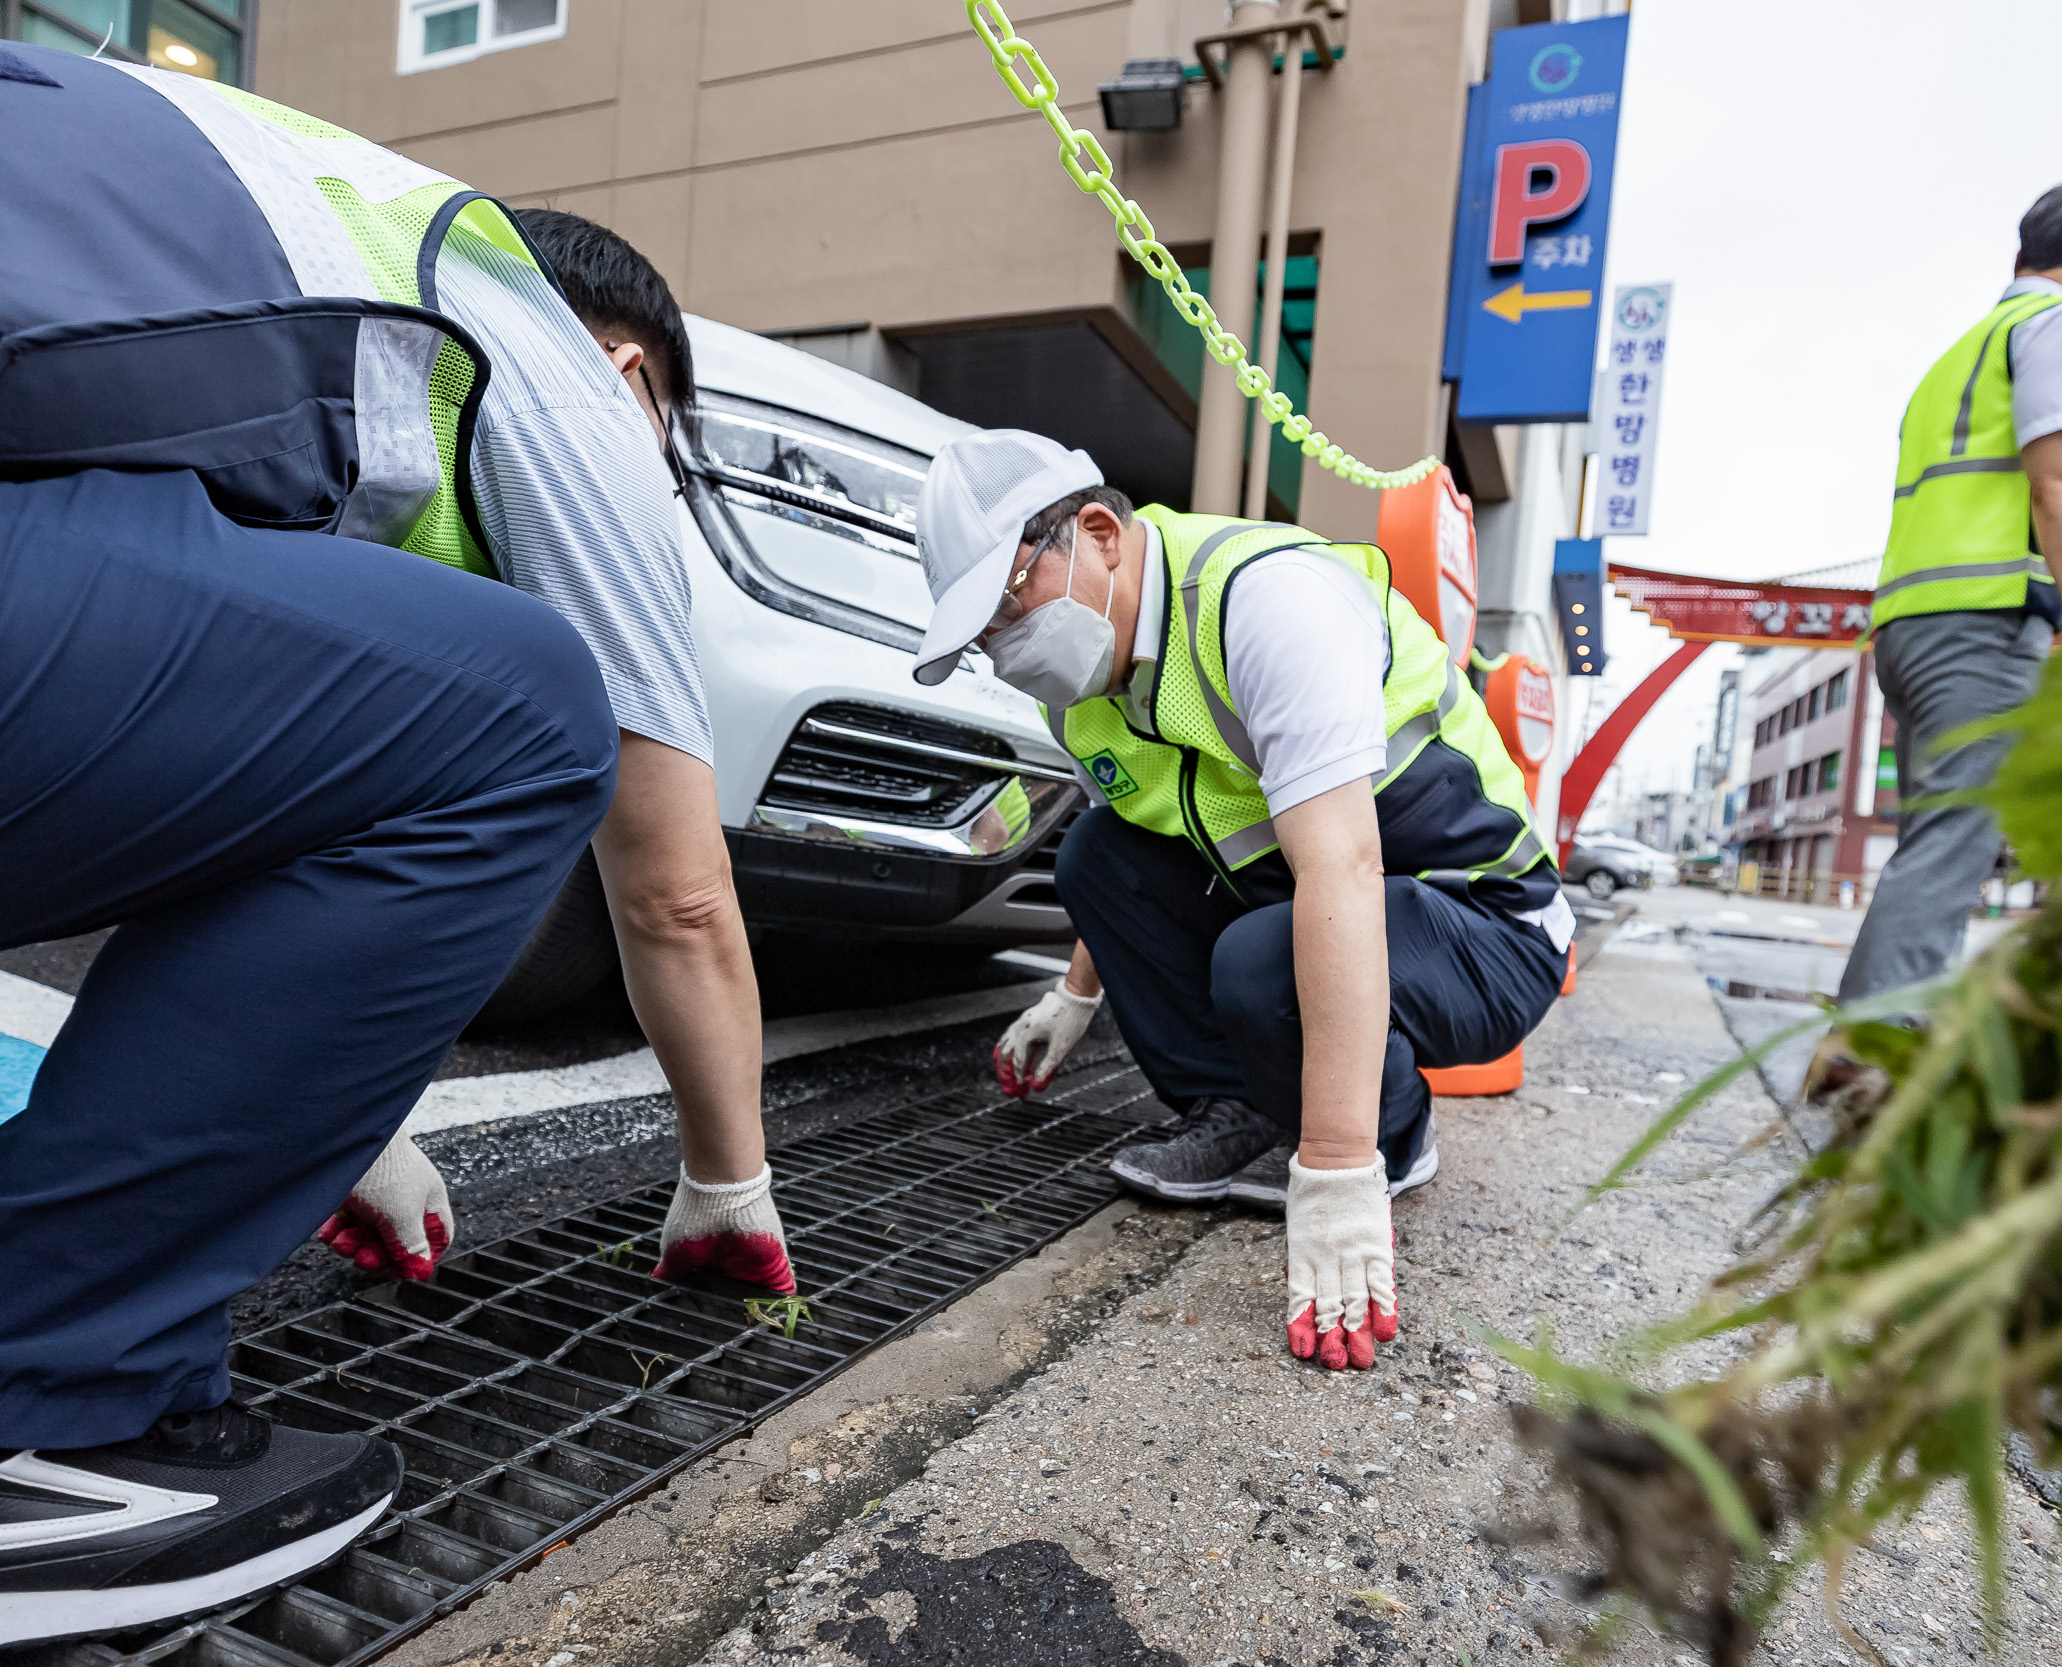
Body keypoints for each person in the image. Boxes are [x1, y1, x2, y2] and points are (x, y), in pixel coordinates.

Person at [0, 53, 784, 1640]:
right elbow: (678, 887)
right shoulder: (540, 364)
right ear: (634, 377)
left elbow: (212, 746)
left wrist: (317, 1110)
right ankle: (52, 1418)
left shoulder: (203, 286)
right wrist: (726, 1178)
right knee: (528, 708)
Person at [914, 430, 1570, 1373]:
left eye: (1007, 607)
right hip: (1331, 896)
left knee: (1263, 961)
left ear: (1099, 532)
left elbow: (1341, 869)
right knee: (1094, 857)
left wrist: (1341, 1170)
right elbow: (1140, 845)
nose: (1005, 650)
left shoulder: (1265, 601)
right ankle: (1243, 1107)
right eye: (982, 638)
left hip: (1485, 920)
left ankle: (1394, 1129)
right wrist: (1077, 995)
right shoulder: (1084, 690)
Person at [1833, 164, 2062, 1007]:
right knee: (1954, 838)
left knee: (1934, 835)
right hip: (1979, 622)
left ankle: (1862, 1045)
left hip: (1911, 622)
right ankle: (1871, 1056)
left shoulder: (1957, 356)